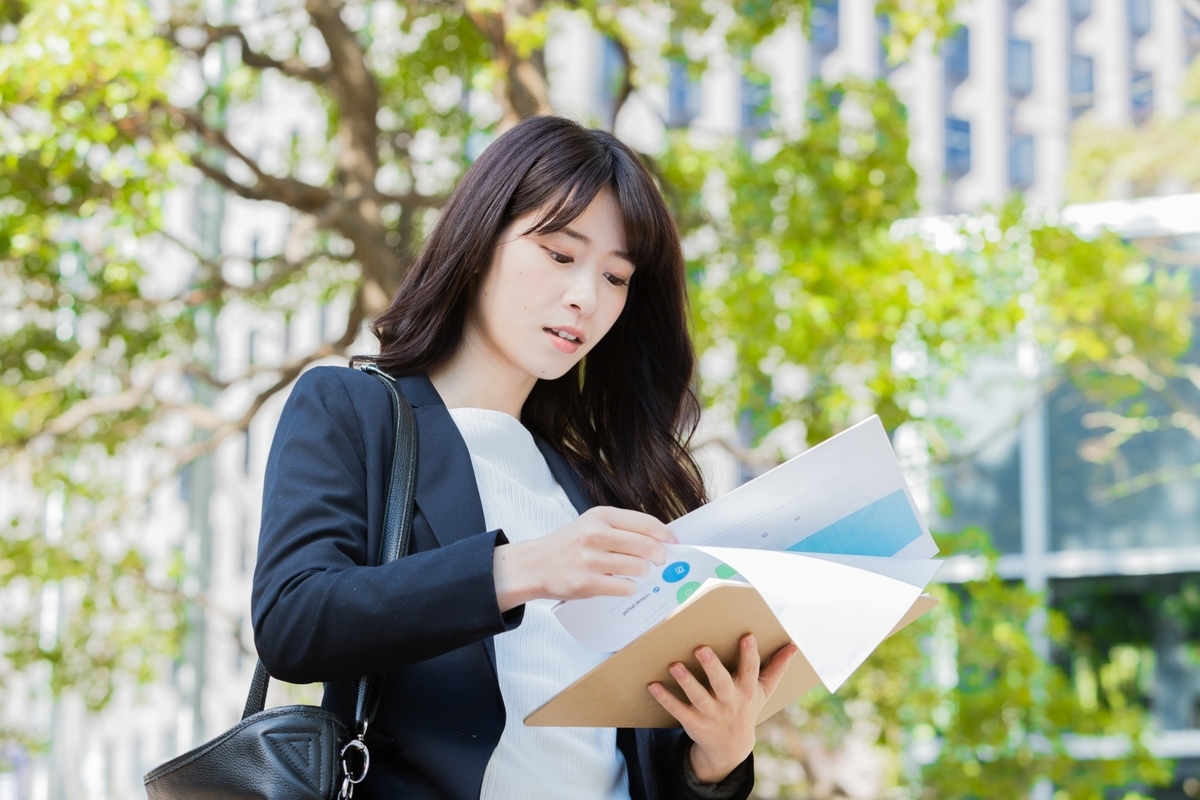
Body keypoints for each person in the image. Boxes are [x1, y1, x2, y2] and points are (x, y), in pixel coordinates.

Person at [251, 115, 799, 800]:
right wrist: (522, 568)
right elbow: (293, 620)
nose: (586, 298)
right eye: (561, 256)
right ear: (481, 242)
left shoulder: (596, 485)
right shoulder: (354, 412)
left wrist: (716, 758)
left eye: (617, 277)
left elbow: (628, 760)